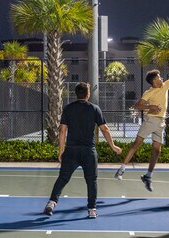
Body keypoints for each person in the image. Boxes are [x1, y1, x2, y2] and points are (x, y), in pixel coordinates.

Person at [114, 51, 169, 191]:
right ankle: (121, 169)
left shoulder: (166, 86)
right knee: (136, 144)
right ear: (154, 81)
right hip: (150, 120)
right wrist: (150, 106)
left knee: (157, 150)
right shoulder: (149, 92)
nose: (162, 78)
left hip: (161, 122)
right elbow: (137, 106)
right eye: (159, 77)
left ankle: (148, 176)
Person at [44, 82, 122, 219]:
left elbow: (62, 130)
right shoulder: (94, 108)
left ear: (76, 93)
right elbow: (105, 129)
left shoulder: (68, 108)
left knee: (63, 178)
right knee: (91, 181)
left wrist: (61, 150)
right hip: (88, 152)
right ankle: (92, 209)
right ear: (88, 94)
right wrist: (113, 146)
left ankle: (51, 203)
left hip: (71, 151)